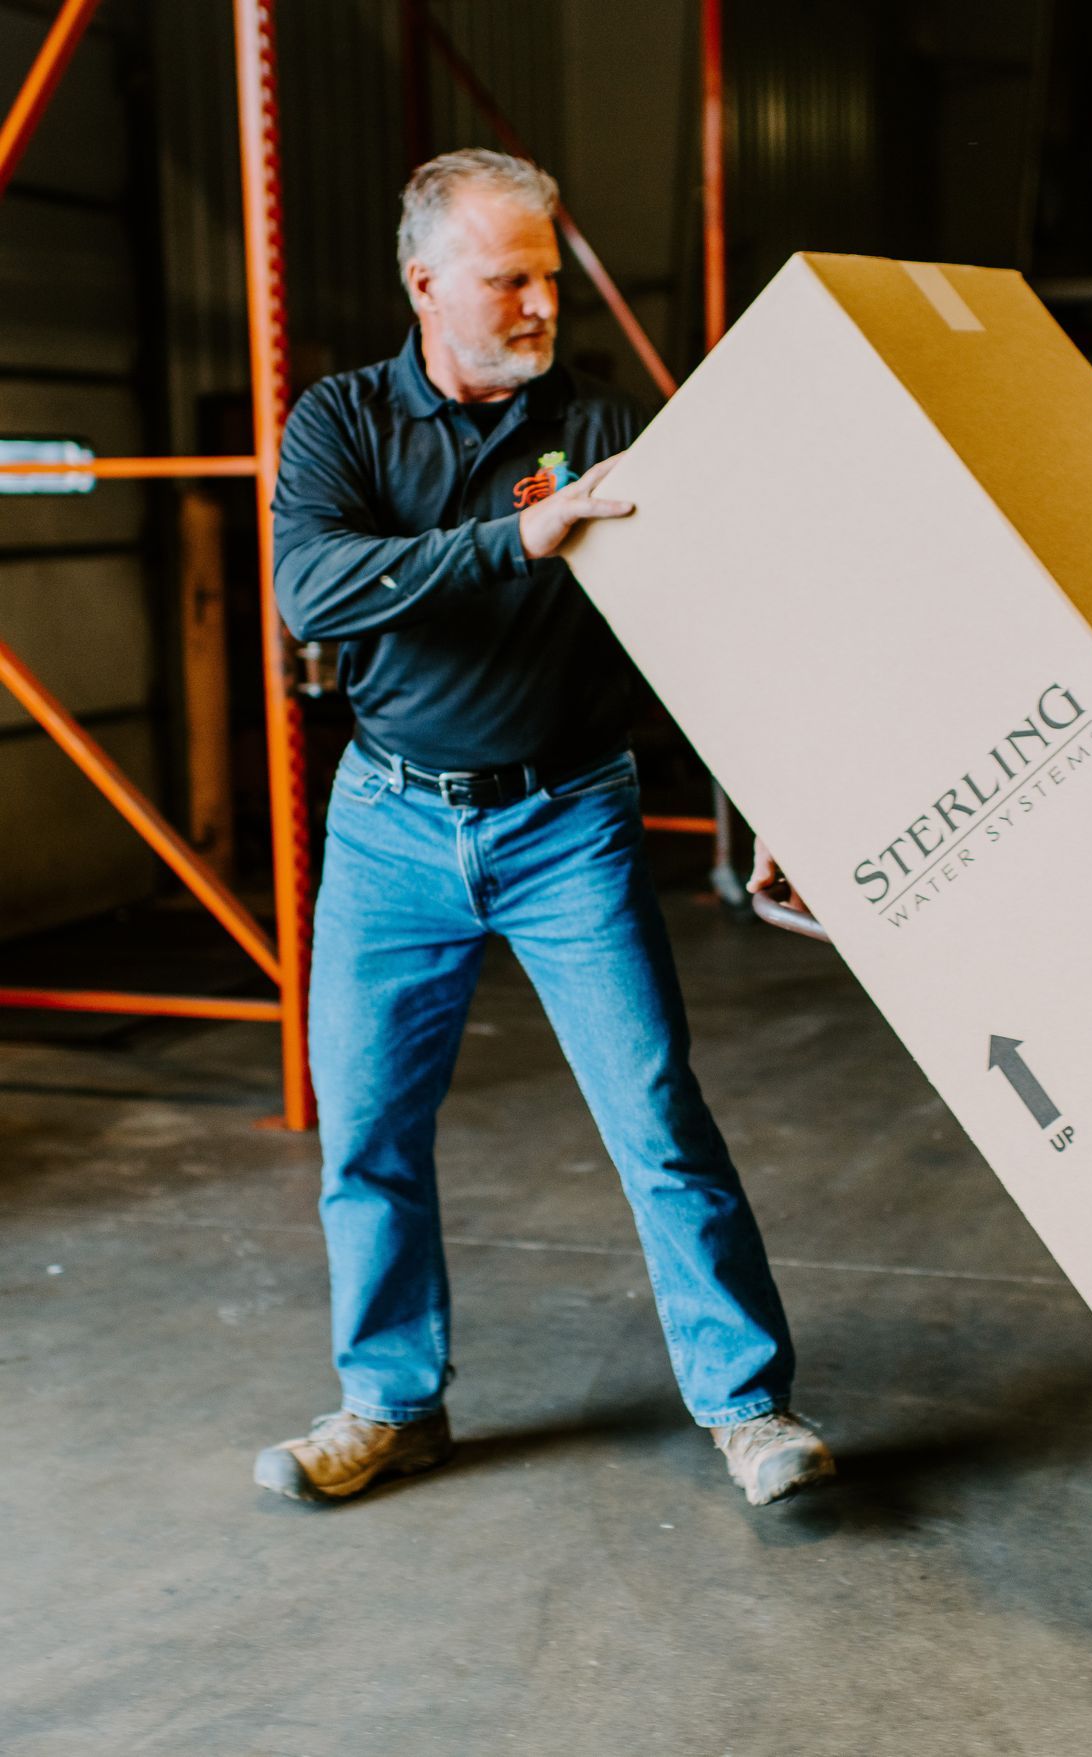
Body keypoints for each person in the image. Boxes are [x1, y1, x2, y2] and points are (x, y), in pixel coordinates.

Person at [255, 148, 832, 1509]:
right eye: (507, 278)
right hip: (391, 826)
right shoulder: (342, 426)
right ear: (425, 284)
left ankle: (748, 1404)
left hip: (568, 819)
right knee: (368, 1132)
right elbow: (311, 590)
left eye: (549, 278)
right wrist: (516, 540)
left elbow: (697, 637)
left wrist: (771, 801)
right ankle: (389, 1404)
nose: (539, 304)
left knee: (655, 1115)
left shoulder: (604, 430)